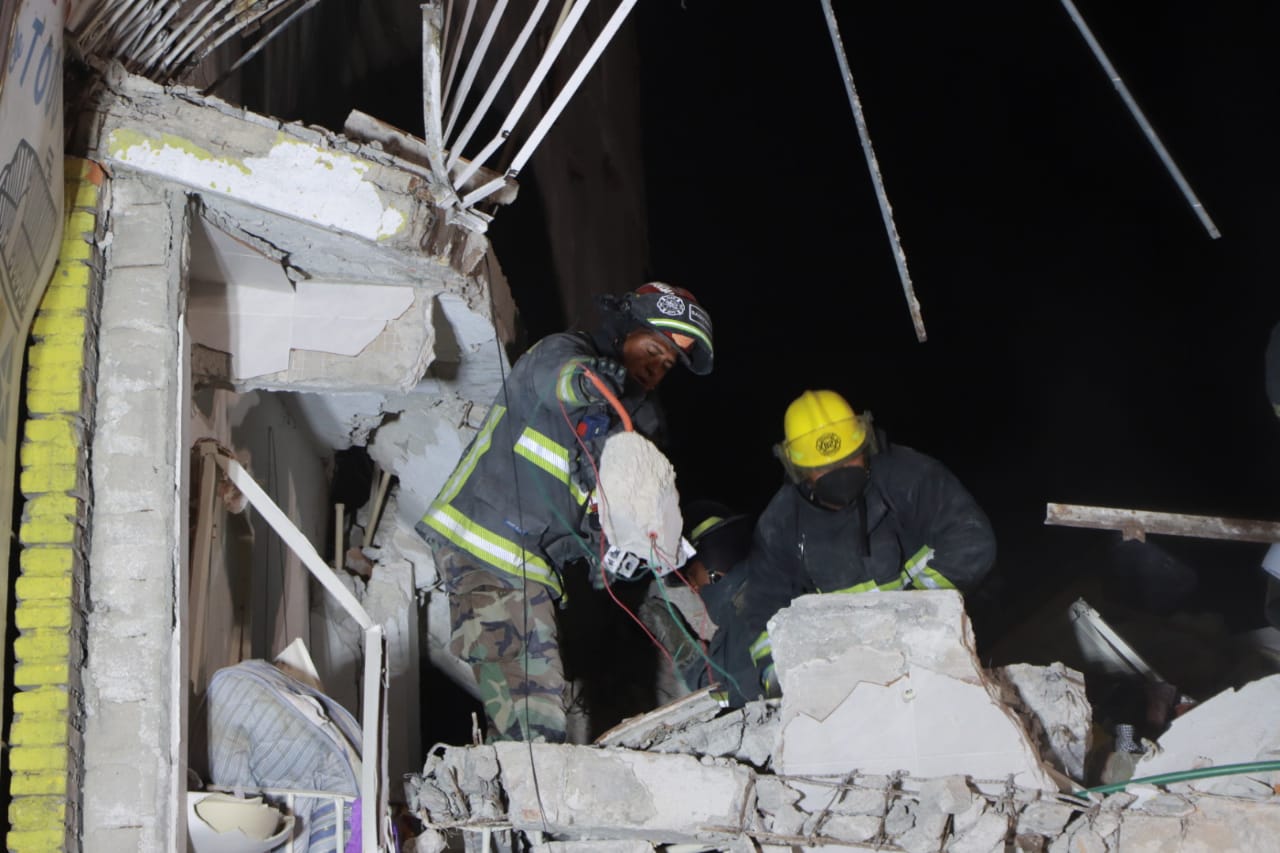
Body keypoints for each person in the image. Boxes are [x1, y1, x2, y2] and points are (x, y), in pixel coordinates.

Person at [416, 283, 714, 742]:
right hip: (485, 547)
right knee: (533, 714)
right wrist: (590, 387)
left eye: (668, 364)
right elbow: (562, 376)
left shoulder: (633, 421)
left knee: (537, 716)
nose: (657, 367)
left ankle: (514, 797)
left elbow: (595, 512)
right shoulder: (563, 352)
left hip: (532, 570)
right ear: (624, 331)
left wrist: (615, 554)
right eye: (653, 349)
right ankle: (529, 805)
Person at [737, 389, 997, 697]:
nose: (840, 472)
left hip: (938, 640)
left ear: (866, 443)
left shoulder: (906, 476)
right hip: (853, 675)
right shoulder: (780, 525)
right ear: (800, 471)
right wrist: (778, 675)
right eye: (824, 468)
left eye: (849, 458)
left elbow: (971, 540)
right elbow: (763, 607)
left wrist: (915, 609)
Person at [639, 500, 761, 708]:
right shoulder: (768, 586)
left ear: (711, 561)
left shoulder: (747, 611)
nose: (693, 587)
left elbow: (725, 689)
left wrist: (688, 657)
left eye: (692, 576)